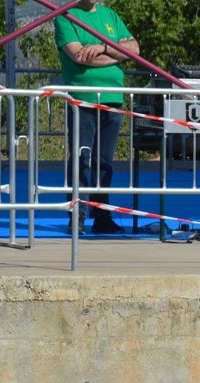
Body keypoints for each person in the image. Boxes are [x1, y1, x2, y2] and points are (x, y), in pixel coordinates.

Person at [55, 0, 139, 235]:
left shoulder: (110, 15)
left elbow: (134, 49)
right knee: (82, 158)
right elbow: (79, 56)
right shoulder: (66, 16)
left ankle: (102, 215)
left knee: (104, 162)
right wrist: (118, 53)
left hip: (113, 99)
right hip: (83, 99)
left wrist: (102, 47)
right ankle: (77, 216)